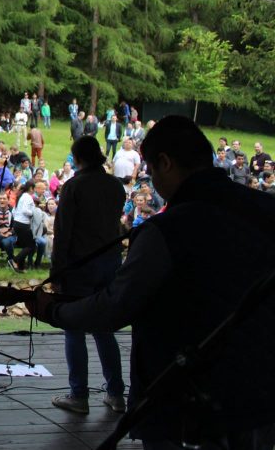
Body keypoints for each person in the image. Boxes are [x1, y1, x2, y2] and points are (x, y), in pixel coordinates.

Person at [29, 116, 275, 449]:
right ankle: (114, 392)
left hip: (181, 401)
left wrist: (56, 312)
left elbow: (116, 307)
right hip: (260, 392)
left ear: (166, 162)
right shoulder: (266, 210)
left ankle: (80, 392)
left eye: (153, 170)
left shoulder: (166, 231)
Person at [47, 135, 126, 415]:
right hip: (109, 265)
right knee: (105, 330)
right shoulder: (116, 187)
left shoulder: (74, 187)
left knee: (74, 329)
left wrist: (56, 272)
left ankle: (79, 395)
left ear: (78, 158)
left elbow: (63, 232)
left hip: (79, 267)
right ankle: (116, 394)